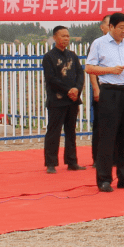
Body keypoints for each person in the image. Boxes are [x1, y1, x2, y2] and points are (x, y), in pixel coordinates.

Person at [85, 12, 124, 192]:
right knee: (107, 136)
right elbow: (89, 67)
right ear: (111, 27)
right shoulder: (99, 43)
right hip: (110, 92)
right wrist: (110, 70)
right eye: (121, 28)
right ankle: (104, 179)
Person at [42, 25, 86, 173]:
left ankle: (72, 161)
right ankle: (51, 163)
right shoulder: (49, 57)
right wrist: (68, 90)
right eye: (62, 36)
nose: (66, 39)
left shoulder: (72, 55)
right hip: (57, 99)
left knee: (71, 131)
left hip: (73, 99)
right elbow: (51, 79)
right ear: (55, 37)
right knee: (54, 131)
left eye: (67, 36)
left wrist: (77, 89)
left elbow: (80, 74)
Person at [90, 15, 109, 167]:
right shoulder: (97, 44)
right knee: (100, 124)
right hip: (102, 88)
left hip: (118, 90)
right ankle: (97, 158)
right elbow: (91, 69)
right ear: (102, 27)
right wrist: (96, 88)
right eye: (109, 24)